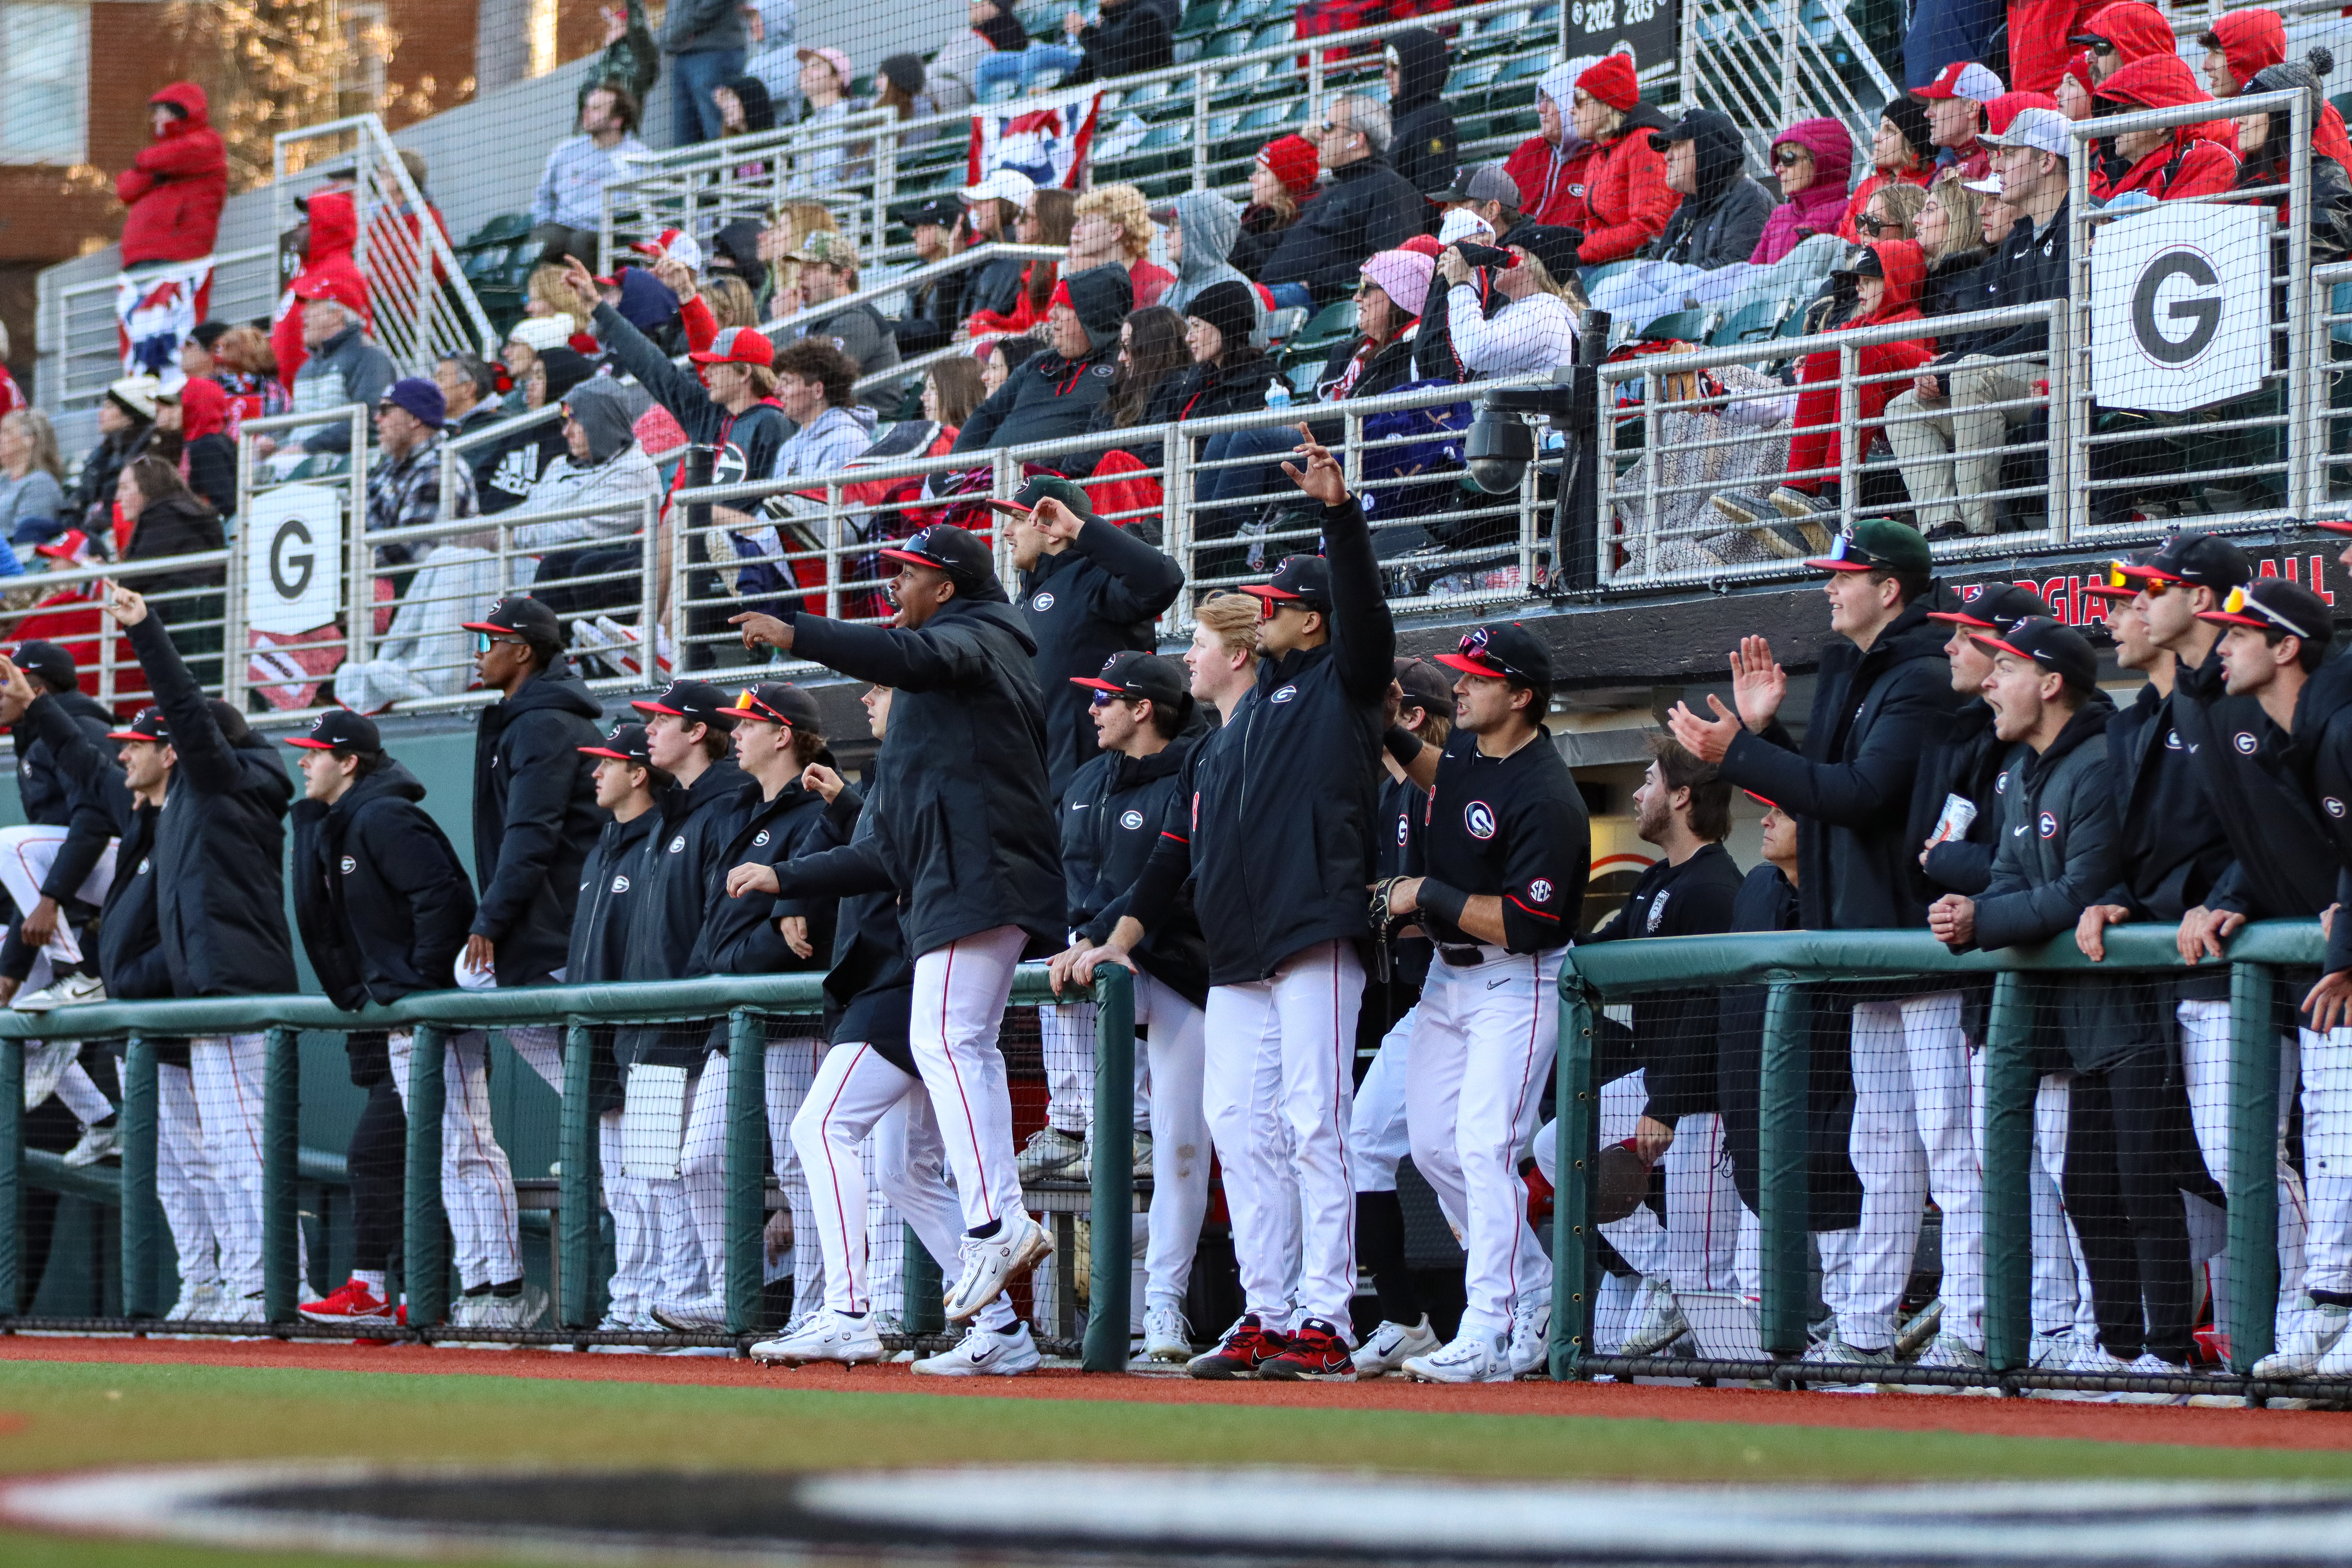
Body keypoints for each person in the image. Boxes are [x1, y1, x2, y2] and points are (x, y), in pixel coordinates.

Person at [1073, 434, 1394, 1382]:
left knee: (1314, 1123)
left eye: (1285, 607)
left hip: (1313, 931)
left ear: (1310, 623)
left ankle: (1327, 1314)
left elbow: (1367, 619)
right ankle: (1265, 1306)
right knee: (1240, 1126)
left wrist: (1340, 516)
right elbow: (1176, 853)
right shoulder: (1236, 728)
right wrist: (1119, 936)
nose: (1269, 617)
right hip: (1240, 951)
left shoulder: (1343, 685)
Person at [732, 523, 1064, 1336]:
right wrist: (789, 875)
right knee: (917, 1121)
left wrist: (800, 629)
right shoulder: (941, 706)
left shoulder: (978, 634)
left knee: (952, 1043)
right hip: (967, 879)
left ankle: (997, 1222)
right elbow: (883, 847)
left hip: (978, 879)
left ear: (944, 585)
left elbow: (910, 658)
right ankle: (998, 1329)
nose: (894, 594)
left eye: (905, 578)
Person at [1665, 519, 1961, 1370]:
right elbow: (1827, 799)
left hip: (1921, 941)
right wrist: (1765, 741)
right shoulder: (1851, 668)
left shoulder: (1920, 672)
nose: (1830, 587)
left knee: (1950, 1150)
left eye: (1844, 575)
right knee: (1884, 1147)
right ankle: (1865, 1330)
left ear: (1890, 587)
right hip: (1864, 943)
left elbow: (1865, 795)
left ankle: (1978, 1324)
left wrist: (1746, 753)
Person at [761, 683, 1042, 1374]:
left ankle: (850, 1314)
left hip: (900, 978)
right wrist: (847, 806)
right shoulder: (891, 772)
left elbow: (891, 861)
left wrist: (783, 876)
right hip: (896, 976)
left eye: (883, 688)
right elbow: (891, 849)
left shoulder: (926, 763)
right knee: (902, 1171)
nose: (867, 698)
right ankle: (1002, 1332)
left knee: (820, 1129)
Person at [1927, 618, 2176, 1390]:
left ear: (2052, 682)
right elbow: (2004, 875)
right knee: (2089, 1185)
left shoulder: (2099, 760)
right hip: (2070, 1014)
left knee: (2142, 1180)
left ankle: (2171, 1350)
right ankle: (2119, 1345)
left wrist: (1983, 922)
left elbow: (2080, 889)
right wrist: (1970, 911)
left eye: (2005, 669)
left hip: (2131, 1008)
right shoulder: (2020, 770)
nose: (1990, 683)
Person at [1370, 625, 1587, 1384]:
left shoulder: (1546, 792)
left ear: (1520, 695)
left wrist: (1424, 891)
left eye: (1475, 677)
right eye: (1459, 675)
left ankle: (1487, 1324)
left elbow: (1528, 925)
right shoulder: (1469, 748)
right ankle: (1537, 1290)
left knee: (1485, 1146)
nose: (1458, 687)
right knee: (1432, 1145)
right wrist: (1394, 736)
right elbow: (1445, 779)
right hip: (1448, 979)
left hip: (1515, 979)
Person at [109, 582, 298, 1326]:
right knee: (222, 1153)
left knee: (246, 1152)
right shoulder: (186, 801)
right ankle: (247, 1287)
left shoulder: (233, 781)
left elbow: (185, 713)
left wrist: (147, 631)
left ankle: (274, 1289)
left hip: (239, 993)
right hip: (204, 996)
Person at [283, 710, 502, 1332]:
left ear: (349, 761)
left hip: (429, 1021)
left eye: (315, 752)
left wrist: (414, 986)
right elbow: (321, 923)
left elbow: (446, 901)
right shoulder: (336, 823)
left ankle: (474, 1294)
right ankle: (414, 1294)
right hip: (388, 1022)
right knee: (406, 1155)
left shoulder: (384, 815)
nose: (303, 761)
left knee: (430, 1152)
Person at [2073, 560, 2240, 1370]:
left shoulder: (2228, 697)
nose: (2119, 616)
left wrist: (2209, 897)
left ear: (2196, 601)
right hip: (2159, 966)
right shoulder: (2136, 717)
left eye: (2137, 598)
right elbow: (2126, 853)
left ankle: (2283, 1330)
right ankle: (2194, 1336)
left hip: (2240, 962)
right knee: (2178, 1163)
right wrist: (2119, 901)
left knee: (2254, 1160)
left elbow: (2257, 829)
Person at [1044, 651, 1212, 1361]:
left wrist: (1096, 935)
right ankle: (1069, 1123)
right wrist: (1077, 938)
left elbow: (1167, 882)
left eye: (1105, 699)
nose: (1092, 710)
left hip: (1180, 974)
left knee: (1182, 1152)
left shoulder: (1192, 770)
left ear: (1144, 708)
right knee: (1088, 1165)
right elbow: (1064, 881)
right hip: (1095, 977)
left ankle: (1168, 1310)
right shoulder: (1085, 779)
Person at [1560, 733, 1741, 1360]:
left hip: (1704, 1098)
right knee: (1559, 1146)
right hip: (1658, 1079)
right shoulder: (1658, 880)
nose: (1638, 794)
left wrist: (1665, 1104)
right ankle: (1659, 1269)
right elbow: (1600, 953)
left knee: (1707, 1275)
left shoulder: (1718, 886)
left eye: (1649, 782)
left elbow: (1710, 1009)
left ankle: (1754, 1397)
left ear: (1683, 796)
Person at [684, 682, 843, 1333]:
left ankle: (812, 1307)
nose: (737, 734)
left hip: (792, 1020)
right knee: (701, 1159)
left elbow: (812, 935)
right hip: (735, 1014)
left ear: (784, 735)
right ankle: (743, 1294)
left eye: (750, 725)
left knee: (801, 1168)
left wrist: (774, 924)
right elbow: (716, 925)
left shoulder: (816, 811)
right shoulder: (741, 809)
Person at [1884, 107, 2071, 540]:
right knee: (1906, 408)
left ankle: (1979, 538)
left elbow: (2054, 328)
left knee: (1970, 377)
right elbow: (2000, 329)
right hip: (2015, 378)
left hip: (2070, 375)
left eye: (2009, 153)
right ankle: (1944, 530)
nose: (1997, 164)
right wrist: (1947, 362)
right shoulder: (2021, 236)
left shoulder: (2082, 221)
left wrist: (1961, 367)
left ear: (2046, 161)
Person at [1345, 657, 1452, 1376]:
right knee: (1367, 1140)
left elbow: (1443, 902)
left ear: (1409, 715)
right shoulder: (1387, 797)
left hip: (1509, 984)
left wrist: (1399, 902)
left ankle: (1524, 1307)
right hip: (1432, 997)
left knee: (1470, 1157)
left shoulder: (1451, 784)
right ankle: (1405, 1316)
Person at [1710, 241, 1935, 550]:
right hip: (1855, 418)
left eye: (1869, 281)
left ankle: (1834, 499)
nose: (1860, 288)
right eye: (1859, 281)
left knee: (1856, 347)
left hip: (1895, 425)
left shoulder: (1914, 322)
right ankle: (1797, 493)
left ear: (1895, 280)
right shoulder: (1858, 323)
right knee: (1828, 345)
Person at [561, 720, 671, 1336]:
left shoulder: (661, 836)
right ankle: (630, 1305)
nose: (595, 772)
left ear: (638, 773)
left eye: (607, 762)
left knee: (655, 1184)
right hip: (598, 1038)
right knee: (621, 1189)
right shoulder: (603, 842)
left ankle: (659, 1308)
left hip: (648, 1038)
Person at [459, 595, 606, 1008]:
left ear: (523, 651)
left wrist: (491, 920)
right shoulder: (528, 719)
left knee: (473, 979)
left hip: (564, 919)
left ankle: (572, 1076)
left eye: (489, 642)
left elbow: (531, 834)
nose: (478, 652)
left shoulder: (543, 723)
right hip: (556, 913)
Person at [513, 379, 665, 621]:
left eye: (576, 421)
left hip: (572, 568)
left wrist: (505, 536)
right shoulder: (559, 465)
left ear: (599, 422)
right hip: (521, 560)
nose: (566, 432)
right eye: (566, 421)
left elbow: (578, 530)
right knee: (454, 555)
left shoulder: (636, 470)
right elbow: (524, 514)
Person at [1261, 96, 1423, 310]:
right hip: (1273, 296)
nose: (1319, 135)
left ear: (1357, 140)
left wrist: (1317, 283)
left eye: (1329, 127)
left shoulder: (1389, 188)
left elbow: (1390, 265)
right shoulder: (1333, 191)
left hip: (1315, 308)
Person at [951, 269, 1131, 454]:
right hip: (990, 474)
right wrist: (956, 469)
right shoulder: (1040, 362)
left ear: (1092, 314)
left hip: (1052, 479)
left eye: (1063, 306)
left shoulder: (1124, 365)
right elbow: (987, 415)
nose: (1052, 314)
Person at [1563, 55, 1678, 265]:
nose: (1571, 110)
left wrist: (1576, 253)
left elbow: (1649, 231)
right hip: (1602, 263)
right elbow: (1593, 227)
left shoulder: (1644, 143)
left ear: (1606, 104)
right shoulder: (1598, 153)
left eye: (1579, 100)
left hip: (1640, 265)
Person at [2087, 55, 2240, 203]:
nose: (2114, 118)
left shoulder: (2207, 160)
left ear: (2163, 123)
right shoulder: (2119, 180)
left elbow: (2173, 227)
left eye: (2124, 109)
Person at [532, 85, 651, 270]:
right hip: (565, 226)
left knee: (582, 242)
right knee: (545, 239)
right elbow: (544, 197)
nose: (586, 114)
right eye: (586, 108)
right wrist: (543, 220)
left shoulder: (639, 157)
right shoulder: (566, 151)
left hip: (612, 233)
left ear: (617, 121)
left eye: (596, 109)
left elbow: (651, 204)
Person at [115, 83, 227, 276]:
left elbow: (179, 156)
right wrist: (158, 171)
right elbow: (126, 188)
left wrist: (148, 163)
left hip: (179, 257)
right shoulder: (164, 155)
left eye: (160, 112)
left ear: (180, 111)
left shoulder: (209, 142)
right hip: (139, 258)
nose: (155, 118)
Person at [366, 378, 479, 568]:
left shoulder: (441, 468)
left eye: (386, 411)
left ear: (414, 419)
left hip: (422, 587)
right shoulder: (387, 467)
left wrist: (353, 561)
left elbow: (414, 552)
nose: (377, 418)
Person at [1646, 109, 1777, 271]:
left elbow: (1732, 275)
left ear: (1708, 149)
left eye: (1678, 145)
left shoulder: (1750, 201)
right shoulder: (1687, 207)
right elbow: (1653, 263)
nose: (1667, 157)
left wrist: (1670, 282)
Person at [1434, 240, 1578, 377]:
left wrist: (1461, 284)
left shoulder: (1544, 314)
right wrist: (1468, 275)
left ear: (1533, 266)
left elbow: (1475, 351)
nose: (1497, 266)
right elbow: (1463, 344)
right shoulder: (1516, 311)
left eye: (1510, 252)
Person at [285, 279, 393, 457]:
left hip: (342, 473)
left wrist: (307, 447)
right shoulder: (306, 368)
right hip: (300, 464)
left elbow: (371, 420)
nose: (304, 314)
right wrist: (272, 440)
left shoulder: (370, 359)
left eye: (313, 305)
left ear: (338, 314)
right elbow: (296, 419)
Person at [777, 232, 901, 381]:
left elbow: (810, 379)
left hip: (871, 404)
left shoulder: (858, 320)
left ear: (843, 276)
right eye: (801, 267)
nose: (800, 275)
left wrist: (785, 322)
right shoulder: (821, 318)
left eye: (812, 267)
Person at [1504, 57, 1604, 230]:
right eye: (1540, 99)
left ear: (1572, 104)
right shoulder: (1527, 153)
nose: (1540, 108)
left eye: (1550, 100)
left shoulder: (1600, 157)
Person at [1753, 119, 1855, 264]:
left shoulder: (1849, 213)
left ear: (1821, 160)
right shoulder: (1779, 215)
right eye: (1778, 160)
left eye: (1789, 159)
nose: (1778, 169)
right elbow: (1752, 274)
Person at [1154, 191, 1260, 325]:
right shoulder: (1170, 295)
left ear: (1199, 232)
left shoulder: (1239, 291)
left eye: (1175, 226)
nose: (1166, 235)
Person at [1840, 100, 1937, 242]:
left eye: (1889, 130)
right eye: (1880, 129)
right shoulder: (1866, 188)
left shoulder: (1933, 190)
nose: (1876, 138)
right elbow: (1841, 239)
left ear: (1912, 143)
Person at [69, 377, 156, 534]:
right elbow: (81, 498)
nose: (101, 413)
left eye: (109, 407)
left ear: (129, 416)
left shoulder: (145, 455)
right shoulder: (103, 454)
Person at [1385, 28, 1459, 203]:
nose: (1386, 74)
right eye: (1386, 66)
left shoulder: (1434, 119)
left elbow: (1435, 195)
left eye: (1395, 66)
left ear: (1416, 66)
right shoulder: (1399, 117)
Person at [662, 0, 751, 145]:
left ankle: (725, 167)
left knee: (718, 130)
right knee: (685, 139)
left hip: (715, 50)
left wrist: (678, 31)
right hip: (683, 53)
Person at [1073, 185, 1174, 311]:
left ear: (1116, 231)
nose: (1075, 230)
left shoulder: (1158, 282)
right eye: (1079, 222)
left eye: (1088, 222)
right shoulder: (1087, 284)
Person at [1232, 136, 1319, 281]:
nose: (1252, 178)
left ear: (1286, 182)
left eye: (1263, 172)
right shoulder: (1256, 217)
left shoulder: (1300, 224)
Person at [1915, 59, 2001, 181]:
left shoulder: (1996, 165)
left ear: (1972, 108)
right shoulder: (1948, 166)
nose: (1927, 114)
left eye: (1938, 103)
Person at [785, 46, 855, 193]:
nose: (805, 72)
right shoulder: (806, 126)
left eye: (816, 67)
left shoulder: (852, 115)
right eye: (805, 67)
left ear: (837, 80)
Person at [1, 410, 69, 551]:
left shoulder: (40, 483)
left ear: (30, 439)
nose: (1, 438)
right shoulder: (3, 481)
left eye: (7, 432)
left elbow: (26, 545)